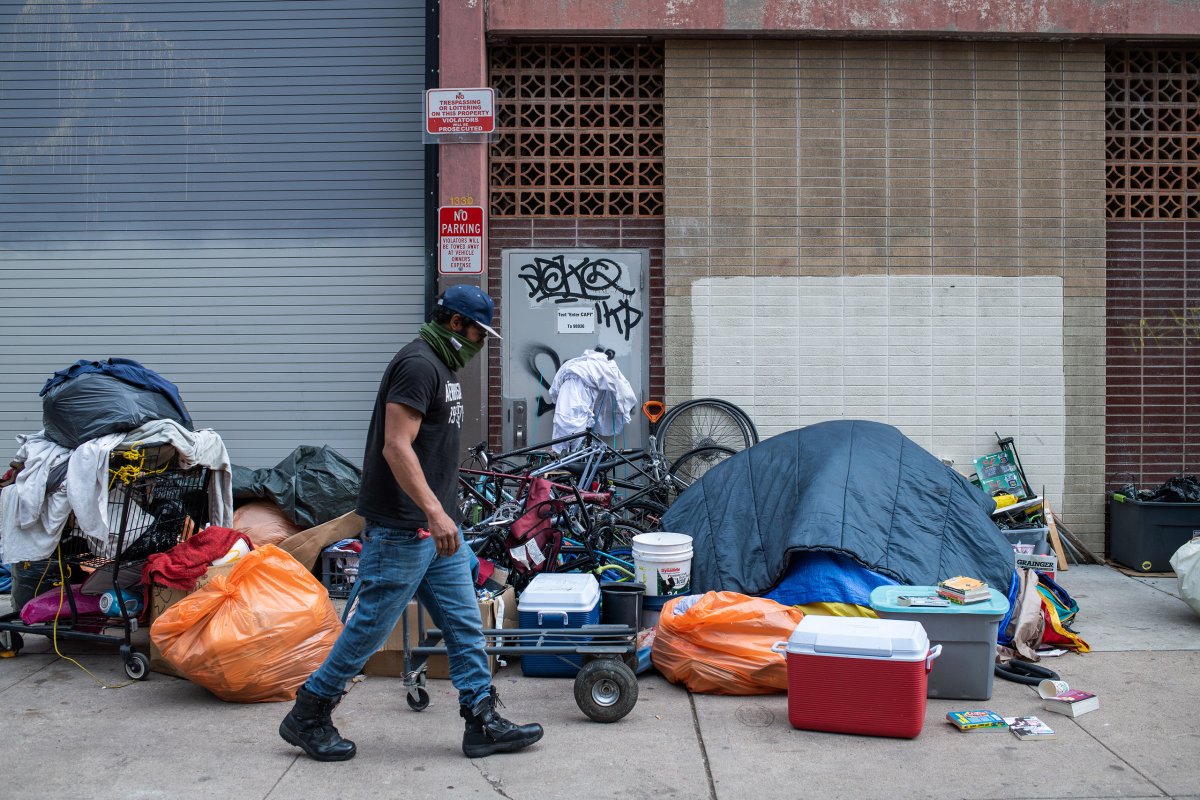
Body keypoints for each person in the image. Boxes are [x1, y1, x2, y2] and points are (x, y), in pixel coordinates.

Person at [279, 284, 544, 761]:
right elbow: (396, 446)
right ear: (455, 323)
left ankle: (481, 719)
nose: (481, 343)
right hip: (405, 528)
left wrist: (445, 516)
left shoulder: (442, 365)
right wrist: (434, 512)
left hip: (435, 533)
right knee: (369, 630)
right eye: (478, 333)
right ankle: (309, 712)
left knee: (464, 625)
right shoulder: (419, 365)